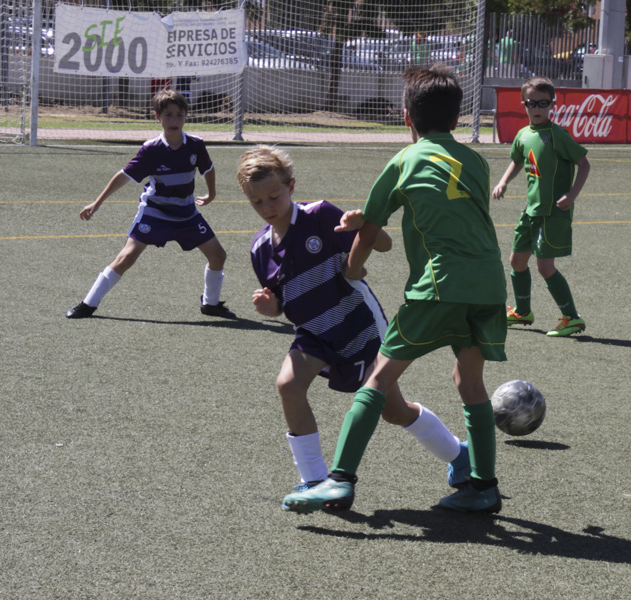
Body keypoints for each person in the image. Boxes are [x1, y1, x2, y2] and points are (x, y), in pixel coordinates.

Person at [283, 64, 508, 514]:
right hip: (488, 285)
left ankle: (339, 480)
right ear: (458, 118)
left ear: (407, 117)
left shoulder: (404, 160)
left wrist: (352, 267)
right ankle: (482, 486)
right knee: (470, 382)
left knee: (378, 379)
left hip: (441, 285)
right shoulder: (478, 161)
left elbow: (368, 230)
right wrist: (362, 219)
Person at [237, 145, 471, 509]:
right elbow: (283, 303)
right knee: (288, 384)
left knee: (394, 412)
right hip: (314, 333)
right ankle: (313, 479)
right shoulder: (259, 250)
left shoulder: (320, 215)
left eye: (274, 196)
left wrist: (365, 227)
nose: (267, 207)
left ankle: (459, 454)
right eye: (257, 202)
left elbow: (385, 245)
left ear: (291, 186)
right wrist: (270, 308)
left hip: (359, 327)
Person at [67, 89, 236, 320]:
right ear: (157, 117)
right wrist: (97, 203)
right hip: (155, 213)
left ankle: (211, 304)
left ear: (186, 116)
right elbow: (123, 176)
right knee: (126, 257)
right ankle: (88, 304)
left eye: (179, 115)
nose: (174, 120)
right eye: (168, 115)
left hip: (187, 213)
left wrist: (212, 194)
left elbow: (207, 168)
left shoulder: (195, 145)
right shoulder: (151, 150)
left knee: (218, 256)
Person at [492, 76, 591, 338]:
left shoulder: (557, 135)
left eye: (542, 103)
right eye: (531, 103)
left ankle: (572, 318)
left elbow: (584, 164)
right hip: (531, 210)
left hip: (553, 212)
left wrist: (572, 195)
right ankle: (523, 311)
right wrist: (503, 182)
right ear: (523, 104)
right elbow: (517, 160)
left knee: (545, 266)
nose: (536, 108)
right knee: (516, 260)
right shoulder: (523, 135)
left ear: (552, 105)